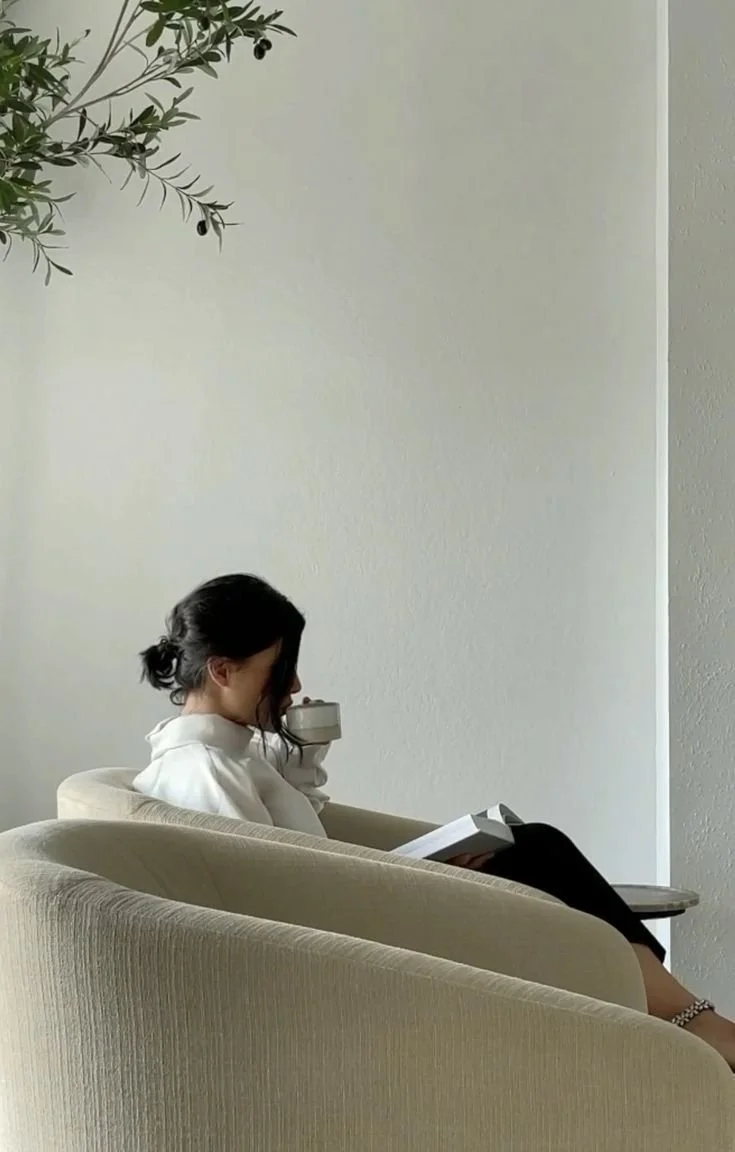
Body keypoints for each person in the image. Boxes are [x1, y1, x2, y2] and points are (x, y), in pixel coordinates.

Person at [135, 572, 735, 1070]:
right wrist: (413, 875)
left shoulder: (235, 755)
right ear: (222, 670)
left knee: (534, 847)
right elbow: (274, 903)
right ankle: (695, 1022)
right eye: (281, 665)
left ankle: (688, 1020)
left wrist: (308, 762)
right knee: (537, 852)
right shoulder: (206, 771)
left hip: (357, 913)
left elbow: (295, 859)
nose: (293, 684)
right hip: (347, 950)